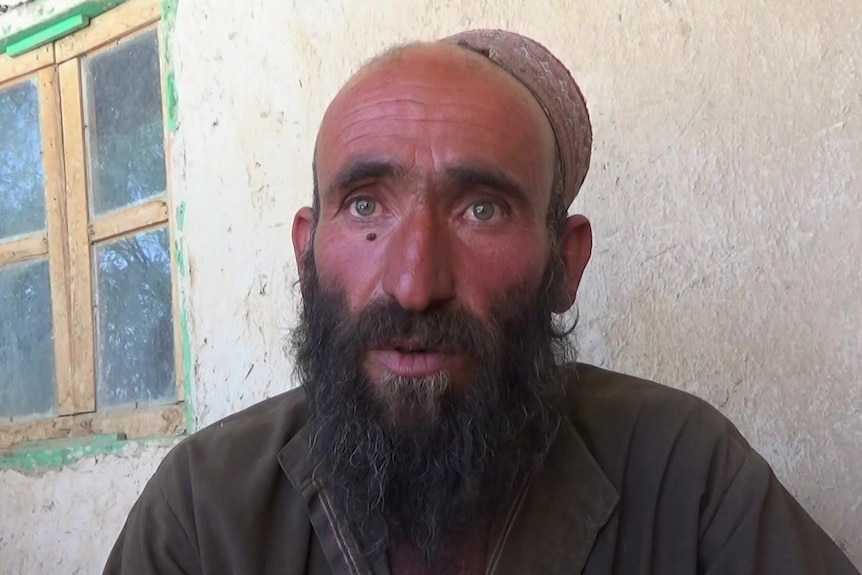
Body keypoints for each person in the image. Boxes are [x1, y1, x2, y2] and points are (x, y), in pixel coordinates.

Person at [104, 29, 859, 575]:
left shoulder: (686, 475)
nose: (414, 282)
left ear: (564, 264)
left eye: (482, 210)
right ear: (306, 253)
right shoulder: (205, 511)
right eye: (366, 206)